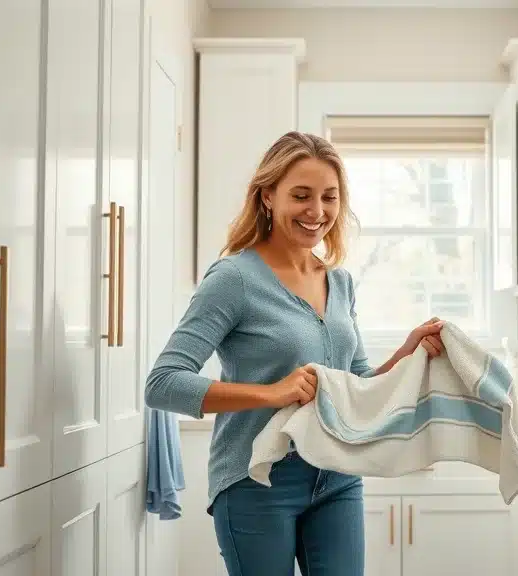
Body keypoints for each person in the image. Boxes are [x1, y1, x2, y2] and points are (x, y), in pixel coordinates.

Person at [145, 131, 446, 576]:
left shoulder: (339, 283)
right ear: (268, 196)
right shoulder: (234, 278)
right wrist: (272, 393)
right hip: (255, 480)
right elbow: (163, 383)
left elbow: (356, 384)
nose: (317, 212)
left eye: (329, 197)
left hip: (338, 474)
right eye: (301, 196)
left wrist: (407, 351)